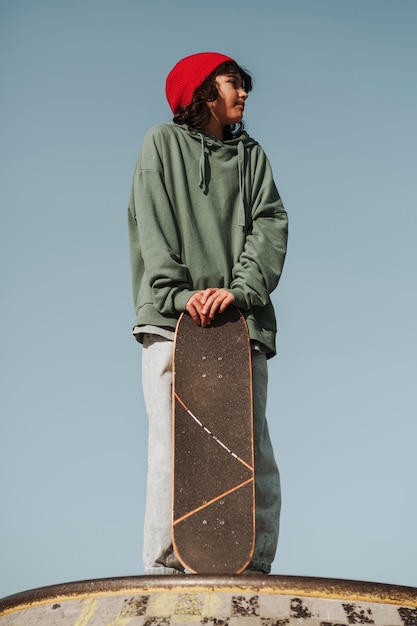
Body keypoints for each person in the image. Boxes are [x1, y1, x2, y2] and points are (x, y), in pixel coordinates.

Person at [128, 52, 288, 575]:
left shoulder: (252, 157)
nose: (243, 94)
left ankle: (255, 564)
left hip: (237, 324)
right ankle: (164, 568)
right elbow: (153, 226)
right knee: (173, 450)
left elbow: (269, 226)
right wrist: (180, 294)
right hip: (174, 324)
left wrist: (239, 292)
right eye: (232, 84)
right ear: (202, 91)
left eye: (244, 86)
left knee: (251, 452)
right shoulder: (161, 145)